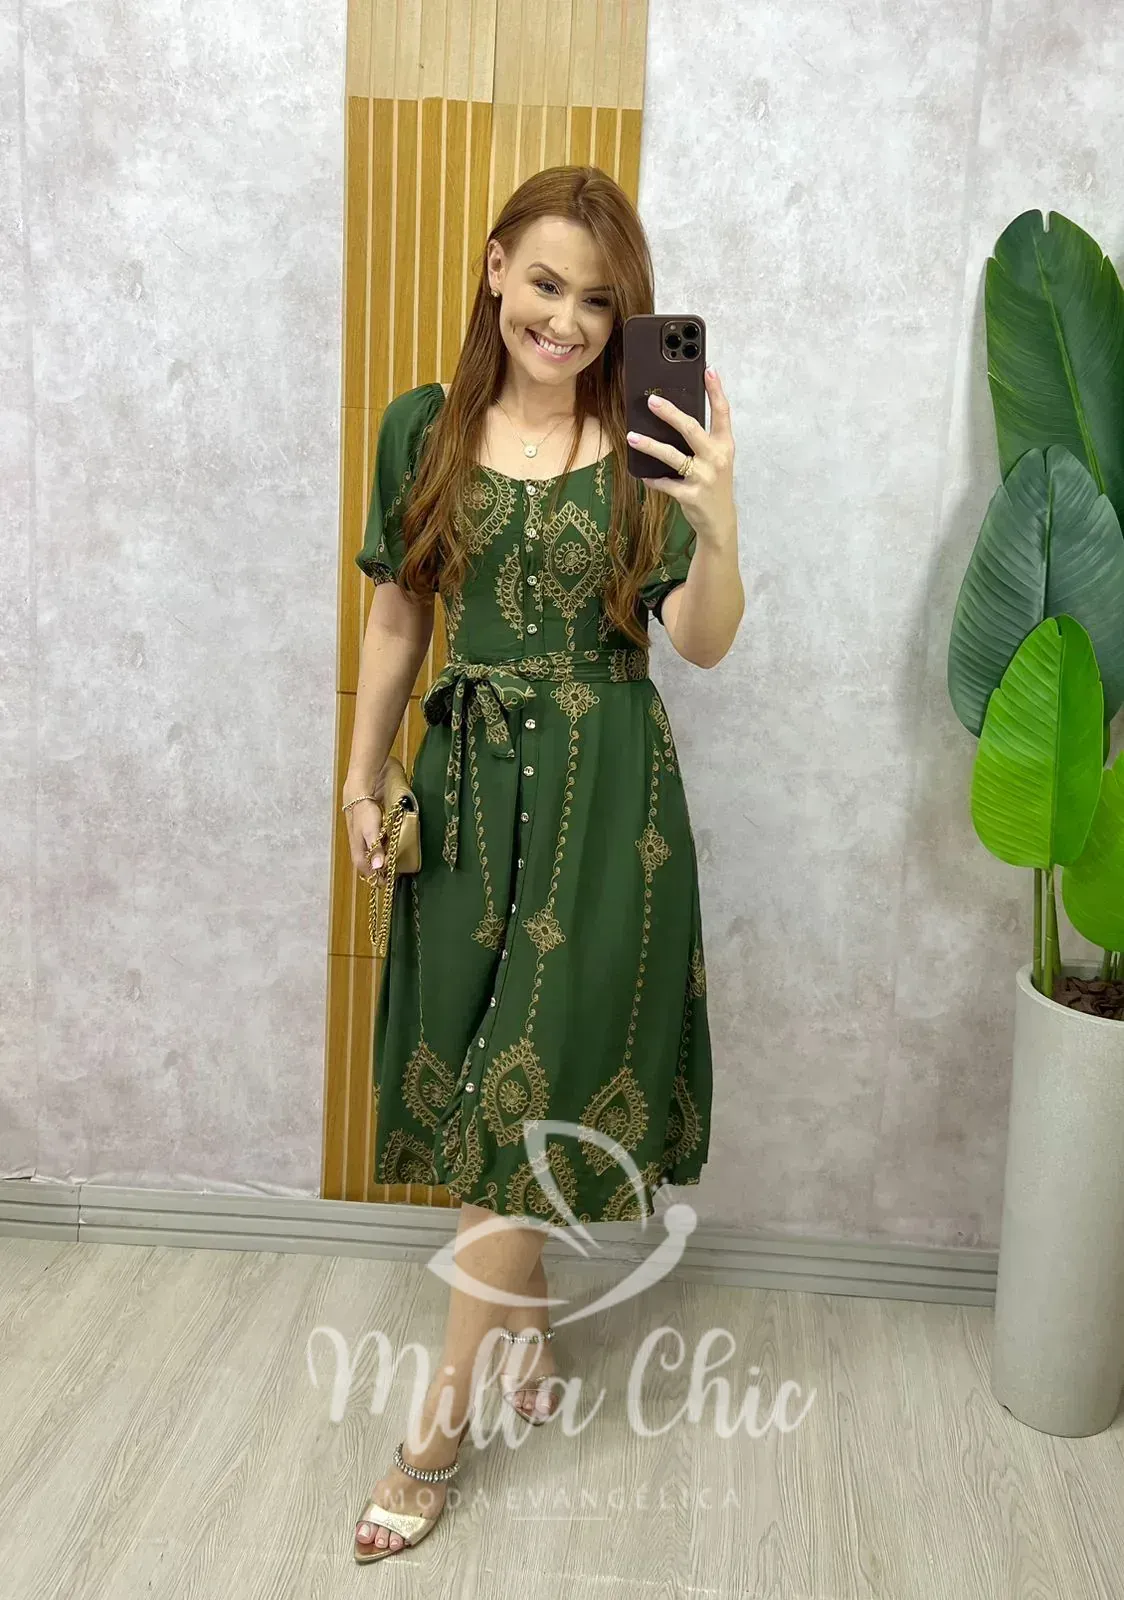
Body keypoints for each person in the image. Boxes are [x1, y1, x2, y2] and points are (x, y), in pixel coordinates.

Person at [343, 164, 743, 1563]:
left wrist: (719, 519)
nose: (566, 321)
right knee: (478, 1090)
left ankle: (432, 1442)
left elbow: (701, 643)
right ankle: (522, 1319)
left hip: (605, 803)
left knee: (524, 1114)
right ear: (496, 267)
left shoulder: (645, 442)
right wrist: (363, 775)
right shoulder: (422, 428)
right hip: (465, 794)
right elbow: (400, 619)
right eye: (547, 283)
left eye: (599, 301)